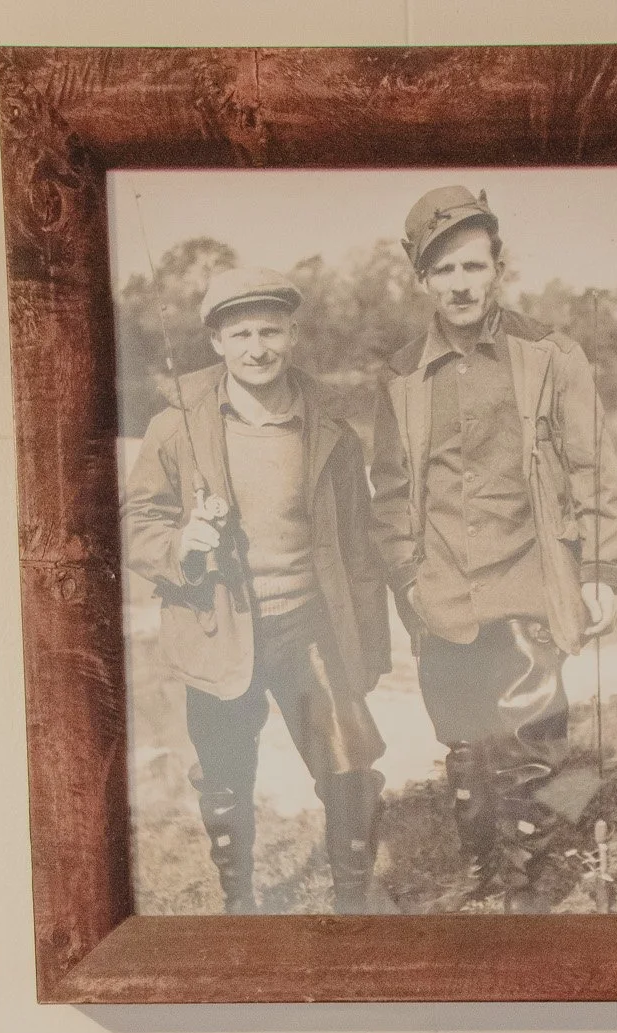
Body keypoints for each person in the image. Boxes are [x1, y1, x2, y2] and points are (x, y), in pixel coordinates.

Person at [370, 187, 617, 909]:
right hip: (443, 588)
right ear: (421, 279)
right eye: (442, 270)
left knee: (528, 738)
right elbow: (388, 494)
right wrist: (408, 583)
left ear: (496, 266)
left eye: (471, 266)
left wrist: (600, 569)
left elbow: (591, 467)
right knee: (464, 744)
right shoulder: (397, 377)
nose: (459, 284)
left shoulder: (549, 354)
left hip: (527, 574)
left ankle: (531, 875)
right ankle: (488, 863)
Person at [122, 268, 391, 912]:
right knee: (224, 780)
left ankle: (354, 907)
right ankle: (239, 902)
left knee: (349, 772)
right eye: (240, 333)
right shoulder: (174, 428)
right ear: (216, 341)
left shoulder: (332, 431)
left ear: (292, 335)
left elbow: (360, 551)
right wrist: (181, 544)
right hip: (218, 632)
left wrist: (369, 649)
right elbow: (137, 522)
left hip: (312, 627)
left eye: (270, 330)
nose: (258, 347)